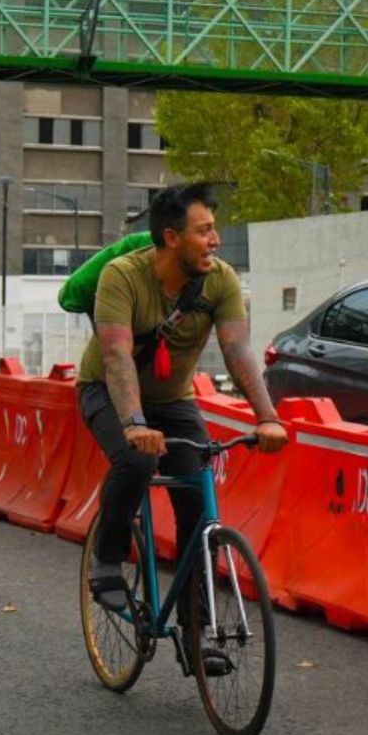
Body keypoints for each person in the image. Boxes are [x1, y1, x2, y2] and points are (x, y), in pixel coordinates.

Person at [76, 183, 288, 623]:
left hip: (173, 399)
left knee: (197, 501)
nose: (215, 240)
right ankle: (108, 563)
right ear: (172, 237)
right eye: (204, 230)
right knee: (136, 462)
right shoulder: (122, 276)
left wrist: (267, 417)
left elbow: (238, 349)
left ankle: (198, 627)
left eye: (215, 229)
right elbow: (116, 355)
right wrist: (134, 424)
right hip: (107, 389)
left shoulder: (221, 279)